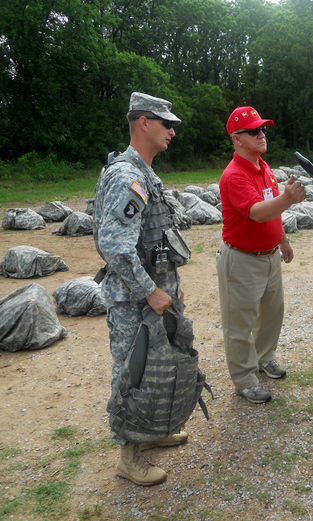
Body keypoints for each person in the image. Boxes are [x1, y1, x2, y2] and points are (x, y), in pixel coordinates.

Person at [94, 92, 188, 486]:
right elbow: (113, 244)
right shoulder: (127, 176)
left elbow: (155, 237)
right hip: (135, 299)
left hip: (154, 291)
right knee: (132, 373)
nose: (171, 130)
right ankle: (128, 456)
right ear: (143, 122)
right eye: (166, 123)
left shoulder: (146, 172)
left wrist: (168, 285)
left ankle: (151, 432)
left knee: (156, 369)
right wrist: (151, 290)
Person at [216, 106, 306, 404]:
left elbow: (271, 212)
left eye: (263, 128)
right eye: (254, 130)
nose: (261, 134)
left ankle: (265, 358)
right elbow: (256, 213)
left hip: (269, 256)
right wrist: (287, 199)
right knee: (239, 322)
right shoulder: (234, 175)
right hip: (241, 260)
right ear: (237, 139)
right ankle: (244, 379)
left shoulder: (263, 167)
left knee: (272, 313)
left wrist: (283, 240)